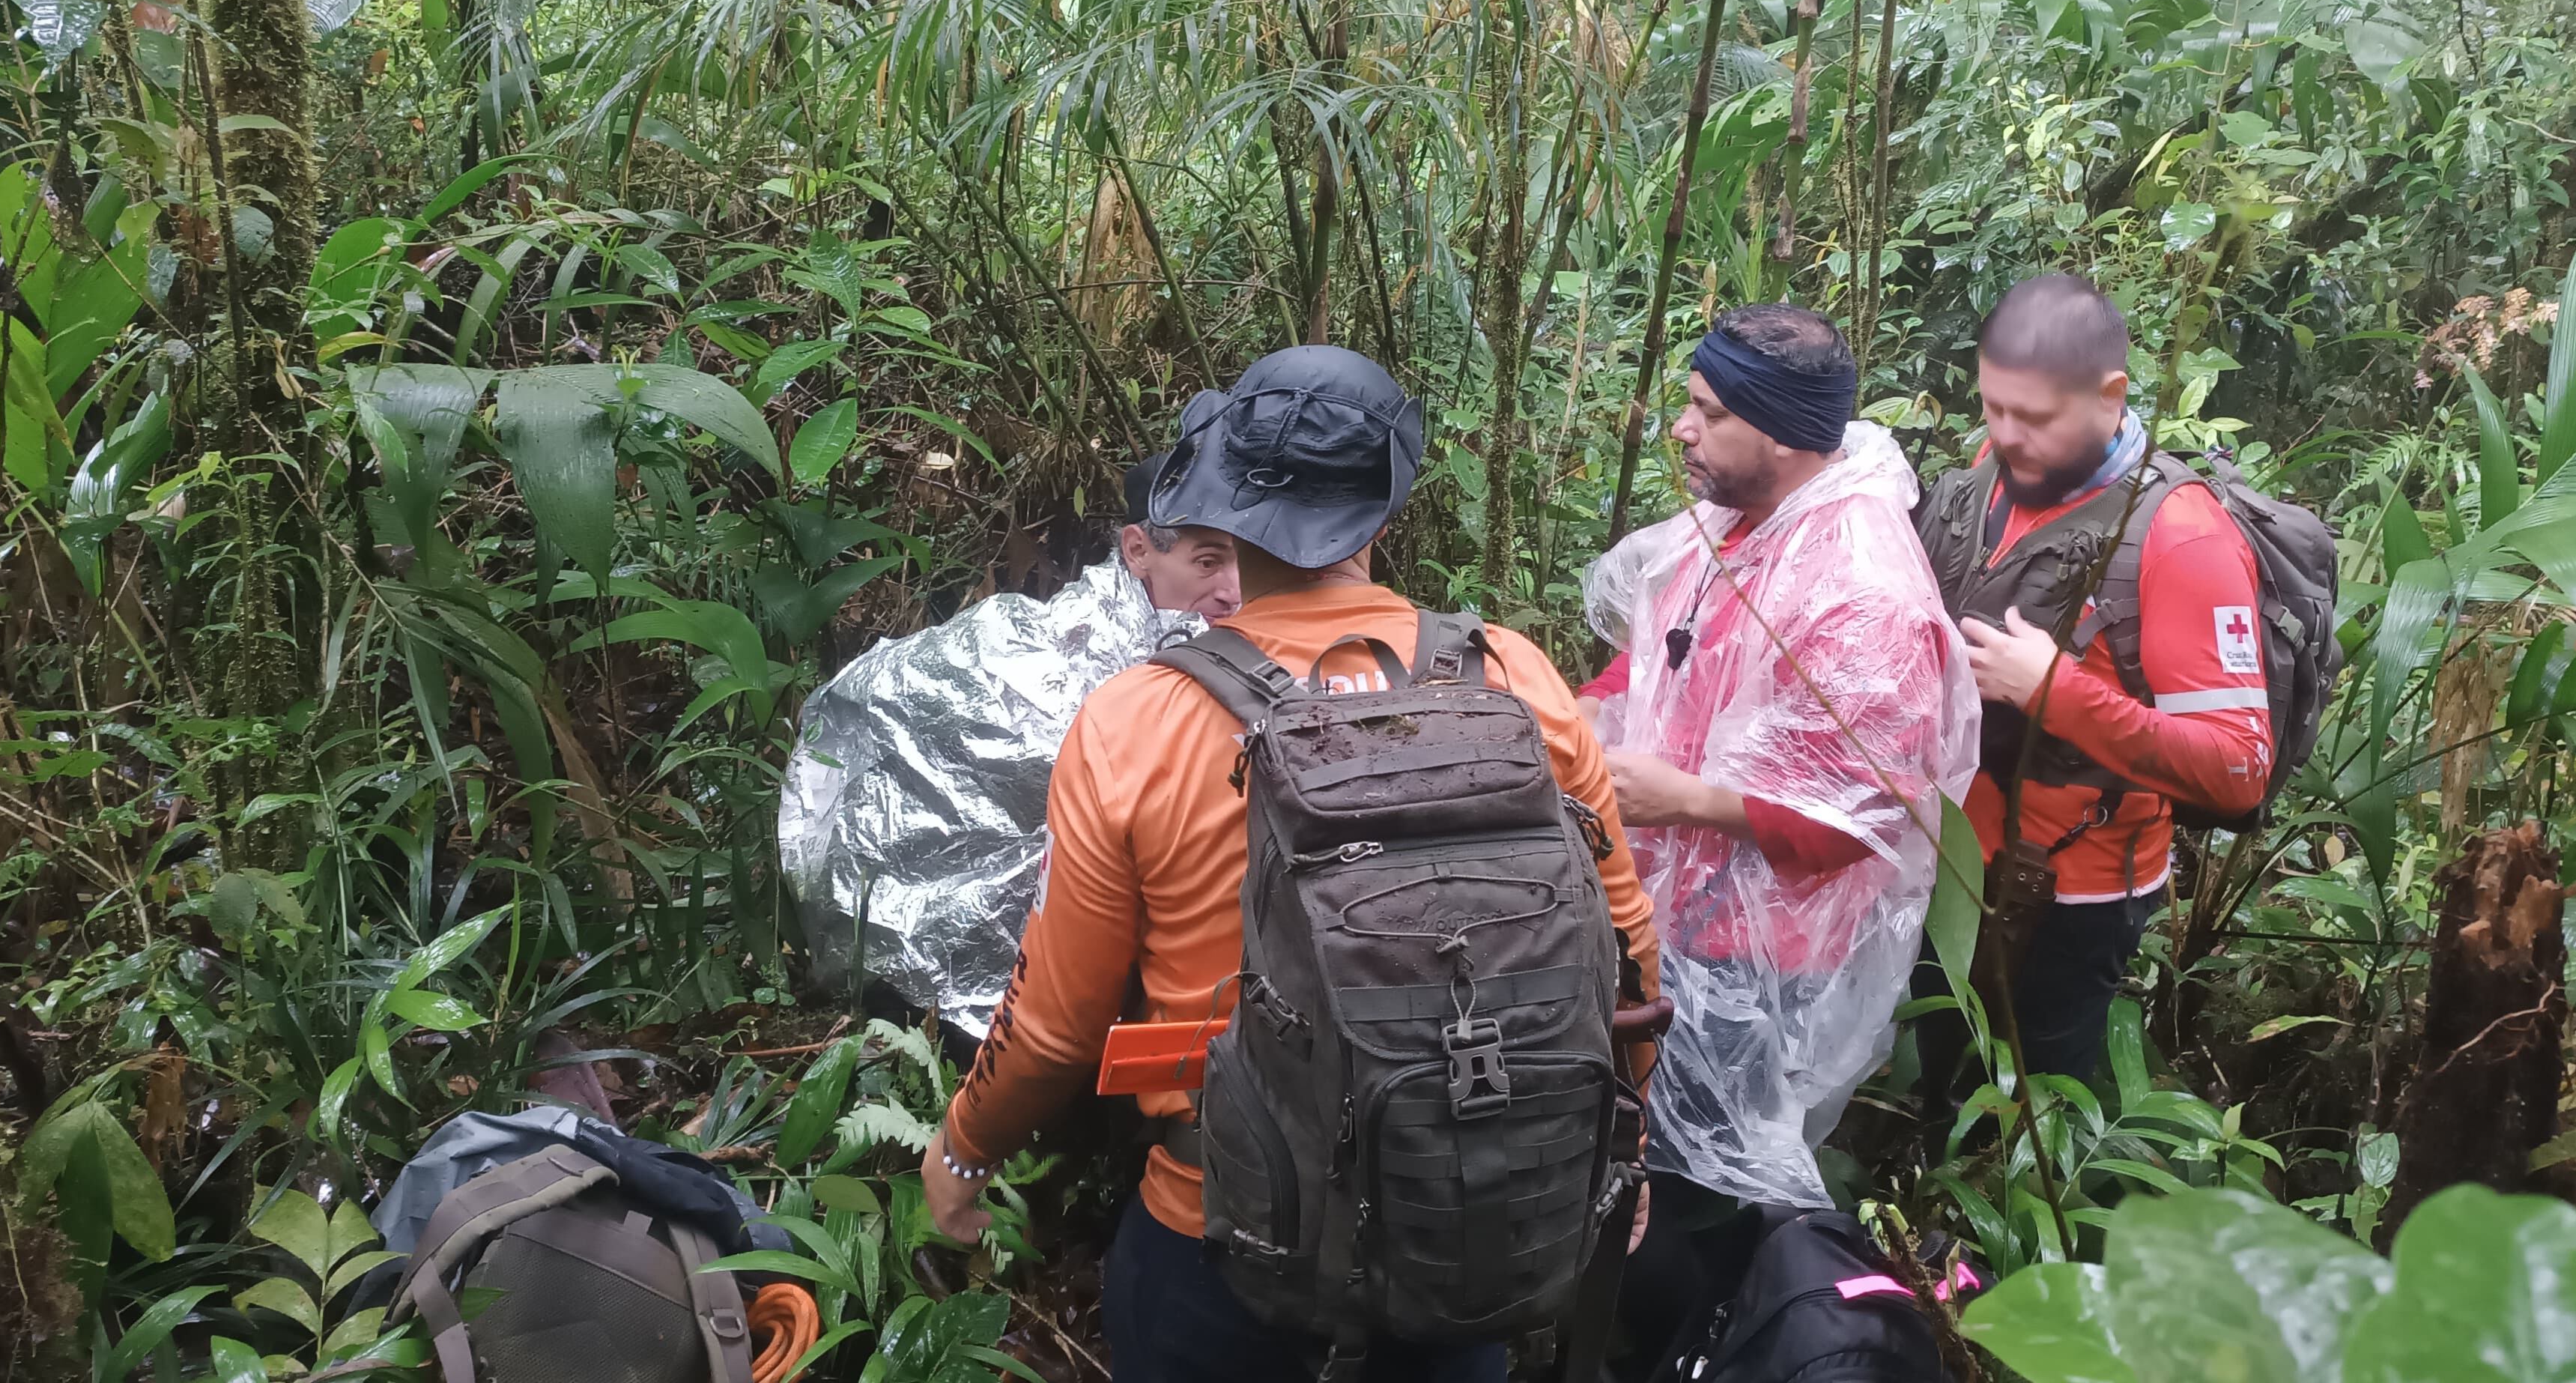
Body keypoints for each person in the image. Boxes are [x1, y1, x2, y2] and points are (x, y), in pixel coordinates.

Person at [918, 346, 1661, 1383]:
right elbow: (1627, 954)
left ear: (1220, 518)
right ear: (1384, 515)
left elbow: (1055, 1025)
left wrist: (961, 1150)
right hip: (1473, 1222)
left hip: (1225, 1244)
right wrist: (1616, 1154)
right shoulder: (1515, 679)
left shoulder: (1138, 721)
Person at [1575, 304, 1978, 1366]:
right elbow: (1654, 666)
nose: (1680, 429)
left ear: (1786, 433)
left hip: (1757, 961)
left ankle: (1710, 1344)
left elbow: (1867, 815)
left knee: (1698, 1202)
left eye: (1707, 412)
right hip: (1670, 911)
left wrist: (1687, 800)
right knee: (1642, 1166)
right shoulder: (1740, 523)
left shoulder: (1863, 594)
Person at [1910, 273, 2271, 1094]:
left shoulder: (2180, 537)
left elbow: (2238, 768)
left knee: (2031, 1108)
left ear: (2111, 397)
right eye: (1992, 410)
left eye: (2033, 418)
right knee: (1946, 1084)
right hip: (1952, 861)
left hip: (2066, 895)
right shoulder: (1999, 468)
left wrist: (2052, 690)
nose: (2006, 437)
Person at [775, 455, 1239, 1037]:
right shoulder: (1047, 655)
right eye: (1208, 561)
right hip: (977, 1004)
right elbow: (867, 698)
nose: (1233, 590)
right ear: (1138, 550)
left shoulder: (1242, 651)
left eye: (1248, 560)